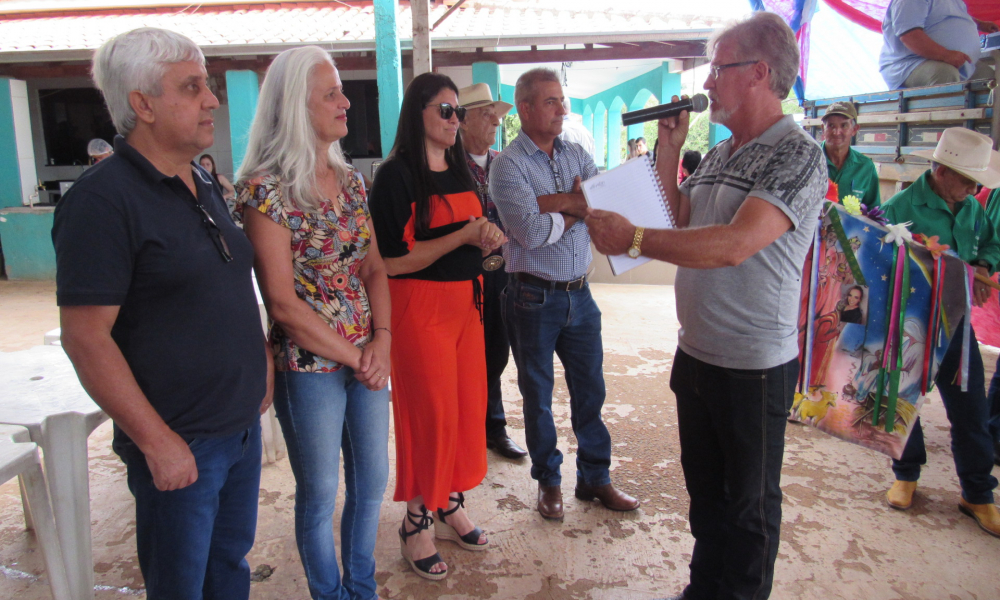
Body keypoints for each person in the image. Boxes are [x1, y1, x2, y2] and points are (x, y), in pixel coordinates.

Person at [585, 12, 827, 599]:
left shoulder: (796, 155)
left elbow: (733, 245)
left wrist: (634, 240)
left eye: (719, 68)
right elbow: (681, 217)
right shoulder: (721, 153)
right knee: (707, 496)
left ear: (760, 74)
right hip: (696, 353)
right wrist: (669, 150)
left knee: (748, 510)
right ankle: (703, 589)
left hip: (753, 367)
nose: (708, 81)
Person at [52, 27, 272, 599]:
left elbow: (223, 284)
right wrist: (154, 441)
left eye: (209, 85)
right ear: (142, 105)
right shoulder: (101, 201)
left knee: (228, 567)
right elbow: (86, 338)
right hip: (181, 443)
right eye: (192, 86)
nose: (212, 100)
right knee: (181, 585)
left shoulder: (199, 178)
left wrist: (261, 363)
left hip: (237, 428)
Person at [234, 46, 392, 600]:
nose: (346, 102)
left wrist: (384, 342)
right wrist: (360, 358)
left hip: (367, 357)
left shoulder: (349, 180)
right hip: (311, 366)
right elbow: (281, 304)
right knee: (321, 492)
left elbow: (373, 267)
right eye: (331, 93)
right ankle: (330, 594)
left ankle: (362, 588)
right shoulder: (265, 190)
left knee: (371, 484)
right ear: (295, 106)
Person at [368, 72, 505, 580]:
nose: (455, 120)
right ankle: (414, 521)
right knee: (430, 415)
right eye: (445, 111)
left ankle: (447, 501)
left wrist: (485, 236)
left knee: (466, 409)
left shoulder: (460, 167)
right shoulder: (396, 175)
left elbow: (467, 231)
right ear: (418, 114)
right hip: (417, 309)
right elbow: (392, 260)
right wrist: (465, 234)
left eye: (458, 112)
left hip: (466, 307)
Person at [490, 67, 640, 522]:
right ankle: (549, 482)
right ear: (526, 108)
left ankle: (595, 477)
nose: (563, 110)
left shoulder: (576, 152)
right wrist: (575, 202)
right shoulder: (507, 165)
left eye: (562, 100)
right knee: (538, 395)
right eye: (551, 101)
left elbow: (600, 207)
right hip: (532, 297)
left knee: (590, 391)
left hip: (581, 293)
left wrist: (557, 203)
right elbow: (531, 234)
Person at [880, 126, 1000, 538]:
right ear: (942, 171)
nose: (971, 189)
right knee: (903, 398)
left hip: (958, 320)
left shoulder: (972, 207)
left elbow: (990, 244)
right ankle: (906, 472)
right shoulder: (900, 207)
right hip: (911, 321)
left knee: (971, 409)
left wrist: (983, 266)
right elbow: (879, 264)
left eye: (975, 183)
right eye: (966, 180)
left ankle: (978, 493)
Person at [457, 83, 528, 461]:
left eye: (497, 116)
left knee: (497, 349)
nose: (495, 122)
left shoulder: (506, 164)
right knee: (467, 353)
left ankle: (493, 426)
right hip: (462, 273)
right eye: (486, 114)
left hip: (503, 271)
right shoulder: (448, 168)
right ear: (463, 121)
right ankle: (470, 428)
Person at [880, 0, 998, 90]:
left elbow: (946, 14)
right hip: (910, 64)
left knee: (991, 79)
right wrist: (946, 55)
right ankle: (950, 121)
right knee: (945, 74)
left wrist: (978, 24)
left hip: (956, 62)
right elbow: (909, 35)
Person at [820, 101, 881, 208]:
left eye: (844, 125)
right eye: (831, 125)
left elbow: (873, 211)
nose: (836, 132)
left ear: (854, 129)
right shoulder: (809, 161)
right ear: (823, 129)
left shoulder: (865, 167)